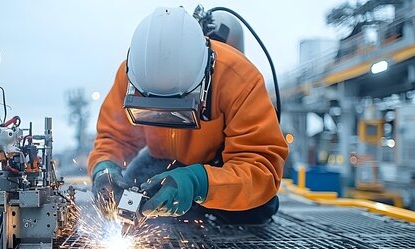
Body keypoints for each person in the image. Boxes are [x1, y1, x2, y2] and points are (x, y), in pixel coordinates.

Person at [88, 6, 288, 224]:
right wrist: (104, 168)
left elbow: (261, 168)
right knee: (128, 191)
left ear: (203, 84)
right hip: (160, 162)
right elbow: (114, 138)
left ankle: (205, 203)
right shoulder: (129, 74)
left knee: (255, 210)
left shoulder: (239, 80)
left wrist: (198, 183)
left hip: (218, 168)